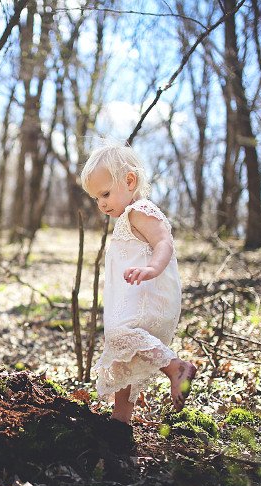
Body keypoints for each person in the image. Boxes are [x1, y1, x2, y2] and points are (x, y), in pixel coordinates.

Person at [80, 143, 197, 426]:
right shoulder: (127, 218)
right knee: (123, 363)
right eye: (97, 198)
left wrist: (152, 268)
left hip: (149, 299)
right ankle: (121, 423)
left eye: (105, 194)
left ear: (129, 181)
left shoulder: (140, 210)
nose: (102, 204)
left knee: (120, 335)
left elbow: (164, 242)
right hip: (133, 301)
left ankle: (176, 367)